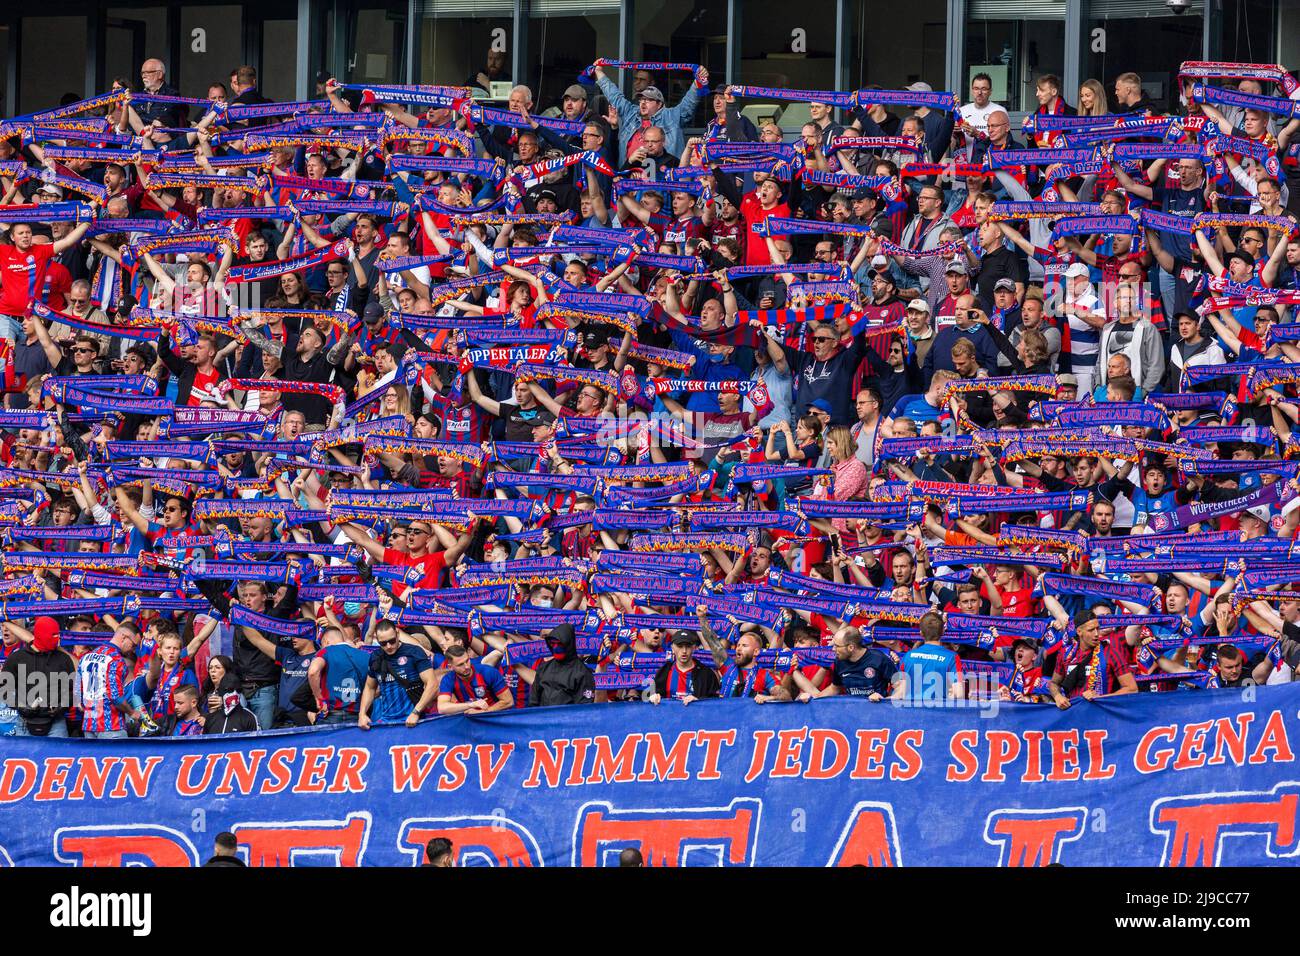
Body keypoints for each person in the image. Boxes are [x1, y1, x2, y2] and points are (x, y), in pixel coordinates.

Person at [528, 623, 596, 706]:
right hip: (542, 717)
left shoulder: (582, 673)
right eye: (553, 643)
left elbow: (584, 707)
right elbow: (533, 702)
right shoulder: (544, 668)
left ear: (568, 644)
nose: (556, 647)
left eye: (559, 644)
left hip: (569, 717)